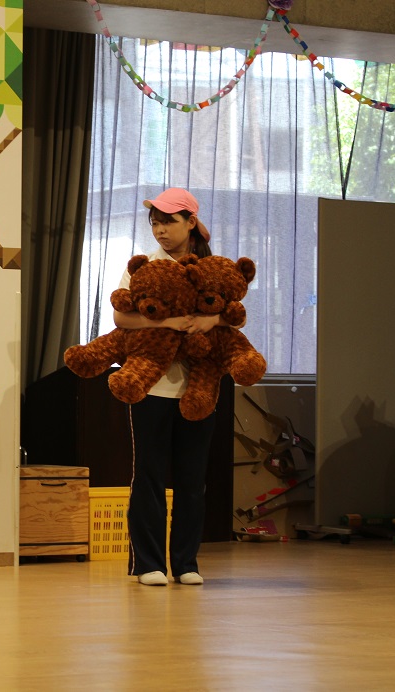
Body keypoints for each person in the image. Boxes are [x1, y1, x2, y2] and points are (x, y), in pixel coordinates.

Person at [112, 187, 230, 587]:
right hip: (151, 388)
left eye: (168, 222)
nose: (160, 230)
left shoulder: (213, 267)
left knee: (192, 480)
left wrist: (213, 320)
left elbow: (234, 311)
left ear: (190, 222)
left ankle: (186, 562)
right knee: (148, 476)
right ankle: (148, 563)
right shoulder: (145, 266)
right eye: (155, 223)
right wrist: (167, 323)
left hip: (199, 390)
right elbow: (122, 318)